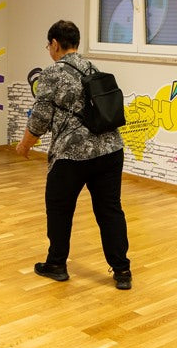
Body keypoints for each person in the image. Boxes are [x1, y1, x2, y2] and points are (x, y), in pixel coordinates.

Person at [15, 20, 132, 290]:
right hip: (111, 150)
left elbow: (41, 117)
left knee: (59, 209)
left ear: (55, 44)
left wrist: (25, 145)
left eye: (48, 45)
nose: (49, 50)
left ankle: (56, 264)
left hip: (72, 154)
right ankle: (122, 270)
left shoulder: (51, 73)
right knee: (110, 210)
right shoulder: (93, 67)